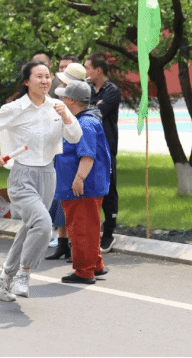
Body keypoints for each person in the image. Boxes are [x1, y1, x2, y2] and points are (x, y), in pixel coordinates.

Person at [0, 60, 83, 302]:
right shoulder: (15, 108)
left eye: (48, 76)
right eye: (39, 76)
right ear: (27, 81)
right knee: (44, 225)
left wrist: (66, 117)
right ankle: (23, 274)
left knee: (30, 227)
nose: (45, 81)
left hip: (48, 174)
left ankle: (5, 275)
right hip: (22, 175)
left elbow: (76, 137)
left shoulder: (57, 107)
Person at [54, 81, 111, 284]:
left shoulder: (84, 124)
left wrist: (79, 178)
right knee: (90, 226)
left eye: (64, 97)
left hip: (82, 187)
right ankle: (95, 264)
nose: (61, 100)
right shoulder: (85, 120)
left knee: (81, 229)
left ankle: (84, 271)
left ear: (71, 101)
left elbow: (87, 155)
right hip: (87, 185)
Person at [46, 62, 88, 261]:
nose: (61, 87)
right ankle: (63, 244)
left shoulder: (81, 111)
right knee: (59, 203)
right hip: (60, 160)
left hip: (72, 162)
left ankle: (74, 246)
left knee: (72, 207)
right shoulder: (61, 104)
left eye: (65, 83)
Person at [85, 54, 121, 254]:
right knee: (89, 189)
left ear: (98, 70)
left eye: (87, 68)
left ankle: (108, 232)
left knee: (108, 189)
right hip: (88, 145)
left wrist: (90, 108)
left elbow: (96, 113)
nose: (86, 72)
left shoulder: (112, 91)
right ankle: (90, 231)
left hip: (106, 147)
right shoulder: (88, 90)